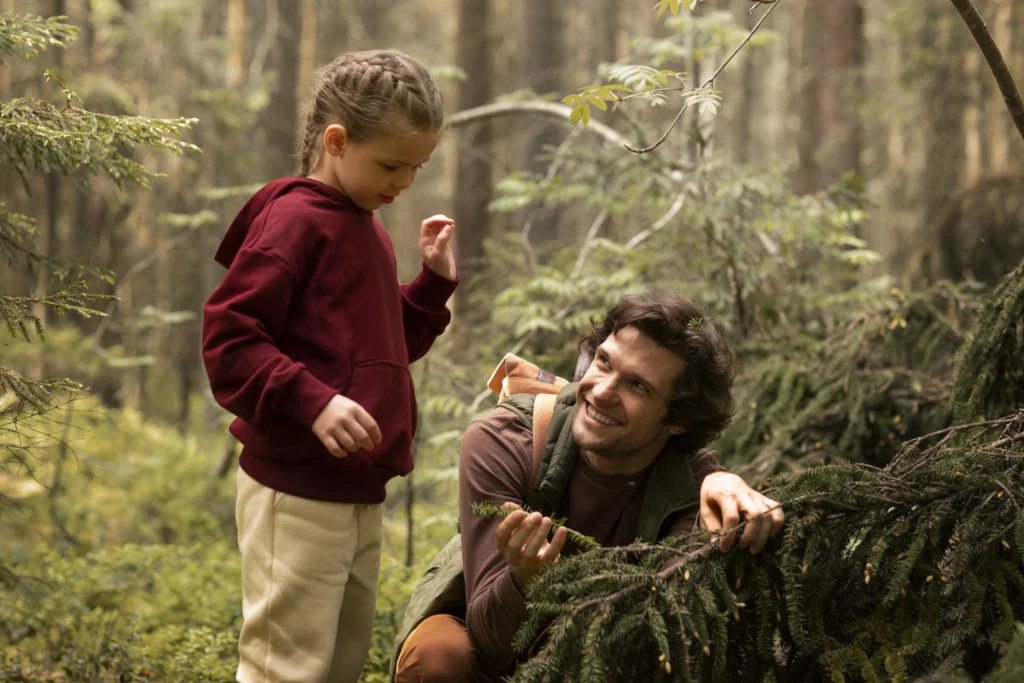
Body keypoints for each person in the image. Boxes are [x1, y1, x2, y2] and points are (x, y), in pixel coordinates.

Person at [201, 49, 458, 683]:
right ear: (336, 141)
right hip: (295, 490)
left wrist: (428, 288)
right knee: (284, 668)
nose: (403, 183)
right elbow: (229, 339)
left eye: (416, 168)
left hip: (357, 489)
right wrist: (311, 402)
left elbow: (373, 352)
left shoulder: (364, 226)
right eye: (392, 164)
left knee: (338, 664)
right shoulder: (293, 220)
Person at [392, 292, 785, 683]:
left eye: (637, 386)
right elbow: (490, 643)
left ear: (677, 420)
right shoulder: (505, 440)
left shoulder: (697, 492)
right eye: (603, 362)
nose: (600, 392)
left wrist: (722, 488)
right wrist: (524, 580)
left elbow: (653, 641)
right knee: (436, 657)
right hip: (487, 644)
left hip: (597, 658)